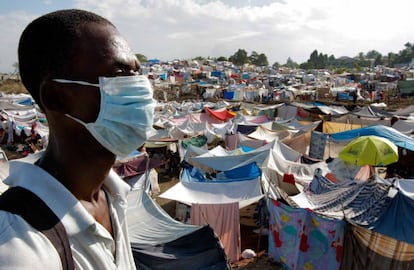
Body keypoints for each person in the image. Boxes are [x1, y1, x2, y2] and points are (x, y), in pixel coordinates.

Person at [0, 9, 155, 269]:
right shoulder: (20, 249)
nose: (141, 87)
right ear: (55, 97)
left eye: (137, 73)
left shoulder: (112, 195)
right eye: (119, 74)